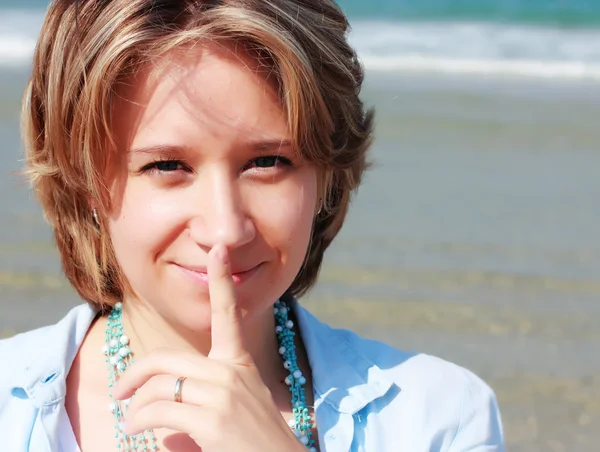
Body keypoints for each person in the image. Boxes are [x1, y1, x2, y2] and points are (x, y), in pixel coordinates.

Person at [0, 0, 505, 450]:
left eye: (267, 162)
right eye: (168, 166)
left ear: (327, 178)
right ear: (84, 182)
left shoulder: (440, 419)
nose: (224, 229)